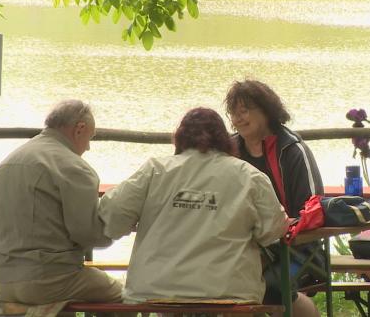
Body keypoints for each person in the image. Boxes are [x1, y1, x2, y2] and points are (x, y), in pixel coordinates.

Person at [98, 107, 288, 304]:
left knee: (167, 301)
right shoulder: (250, 175)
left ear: (180, 137)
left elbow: (112, 215)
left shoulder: (156, 170)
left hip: (154, 289)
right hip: (229, 291)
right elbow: (272, 230)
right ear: (225, 139)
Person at [0, 99, 122, 305]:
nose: (89, 147)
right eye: (90, 138)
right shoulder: (75, 167)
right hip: (47, 279)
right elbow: (88, 235)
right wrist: (118, 225)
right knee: (123, 295)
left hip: (0, 279)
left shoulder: (10, 160)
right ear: (80, 128)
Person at [224, 79, 323, 317]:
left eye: (244, 110)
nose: (238, 118)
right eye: (232, 113)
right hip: (240, 248)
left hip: (298, 250)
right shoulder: (229, 151)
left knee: (267, 288)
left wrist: (273, 241)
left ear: (266, 111)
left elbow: (312, 211)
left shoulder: (292, 150)